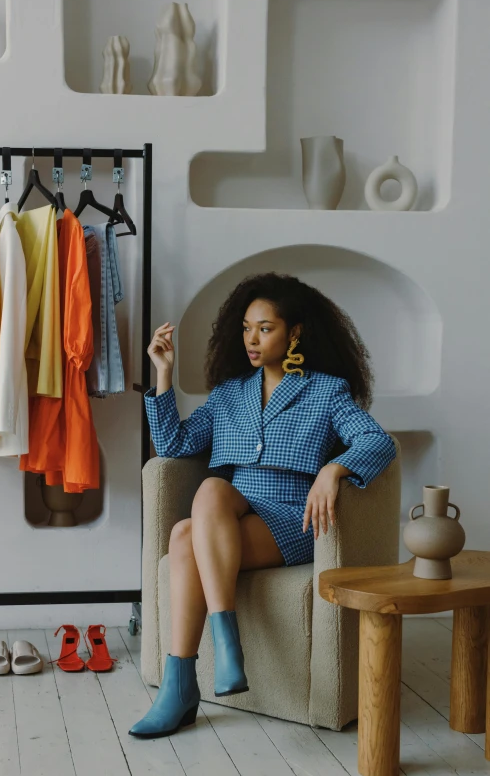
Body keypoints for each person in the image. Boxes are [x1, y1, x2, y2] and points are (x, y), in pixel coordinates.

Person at [129, 271, 396, 739]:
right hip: (234, 512)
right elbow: (173, 443)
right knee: (201, 509)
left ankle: (182, 685)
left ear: (294, 332)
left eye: (266, 328)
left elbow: (377, 442)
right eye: (247, 327)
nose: (252, 339)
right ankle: (217, 651)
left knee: (186, 533)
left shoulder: (325, 390)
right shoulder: (230, 393)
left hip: (293, 518)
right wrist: (164, 373)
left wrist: (334, 470)